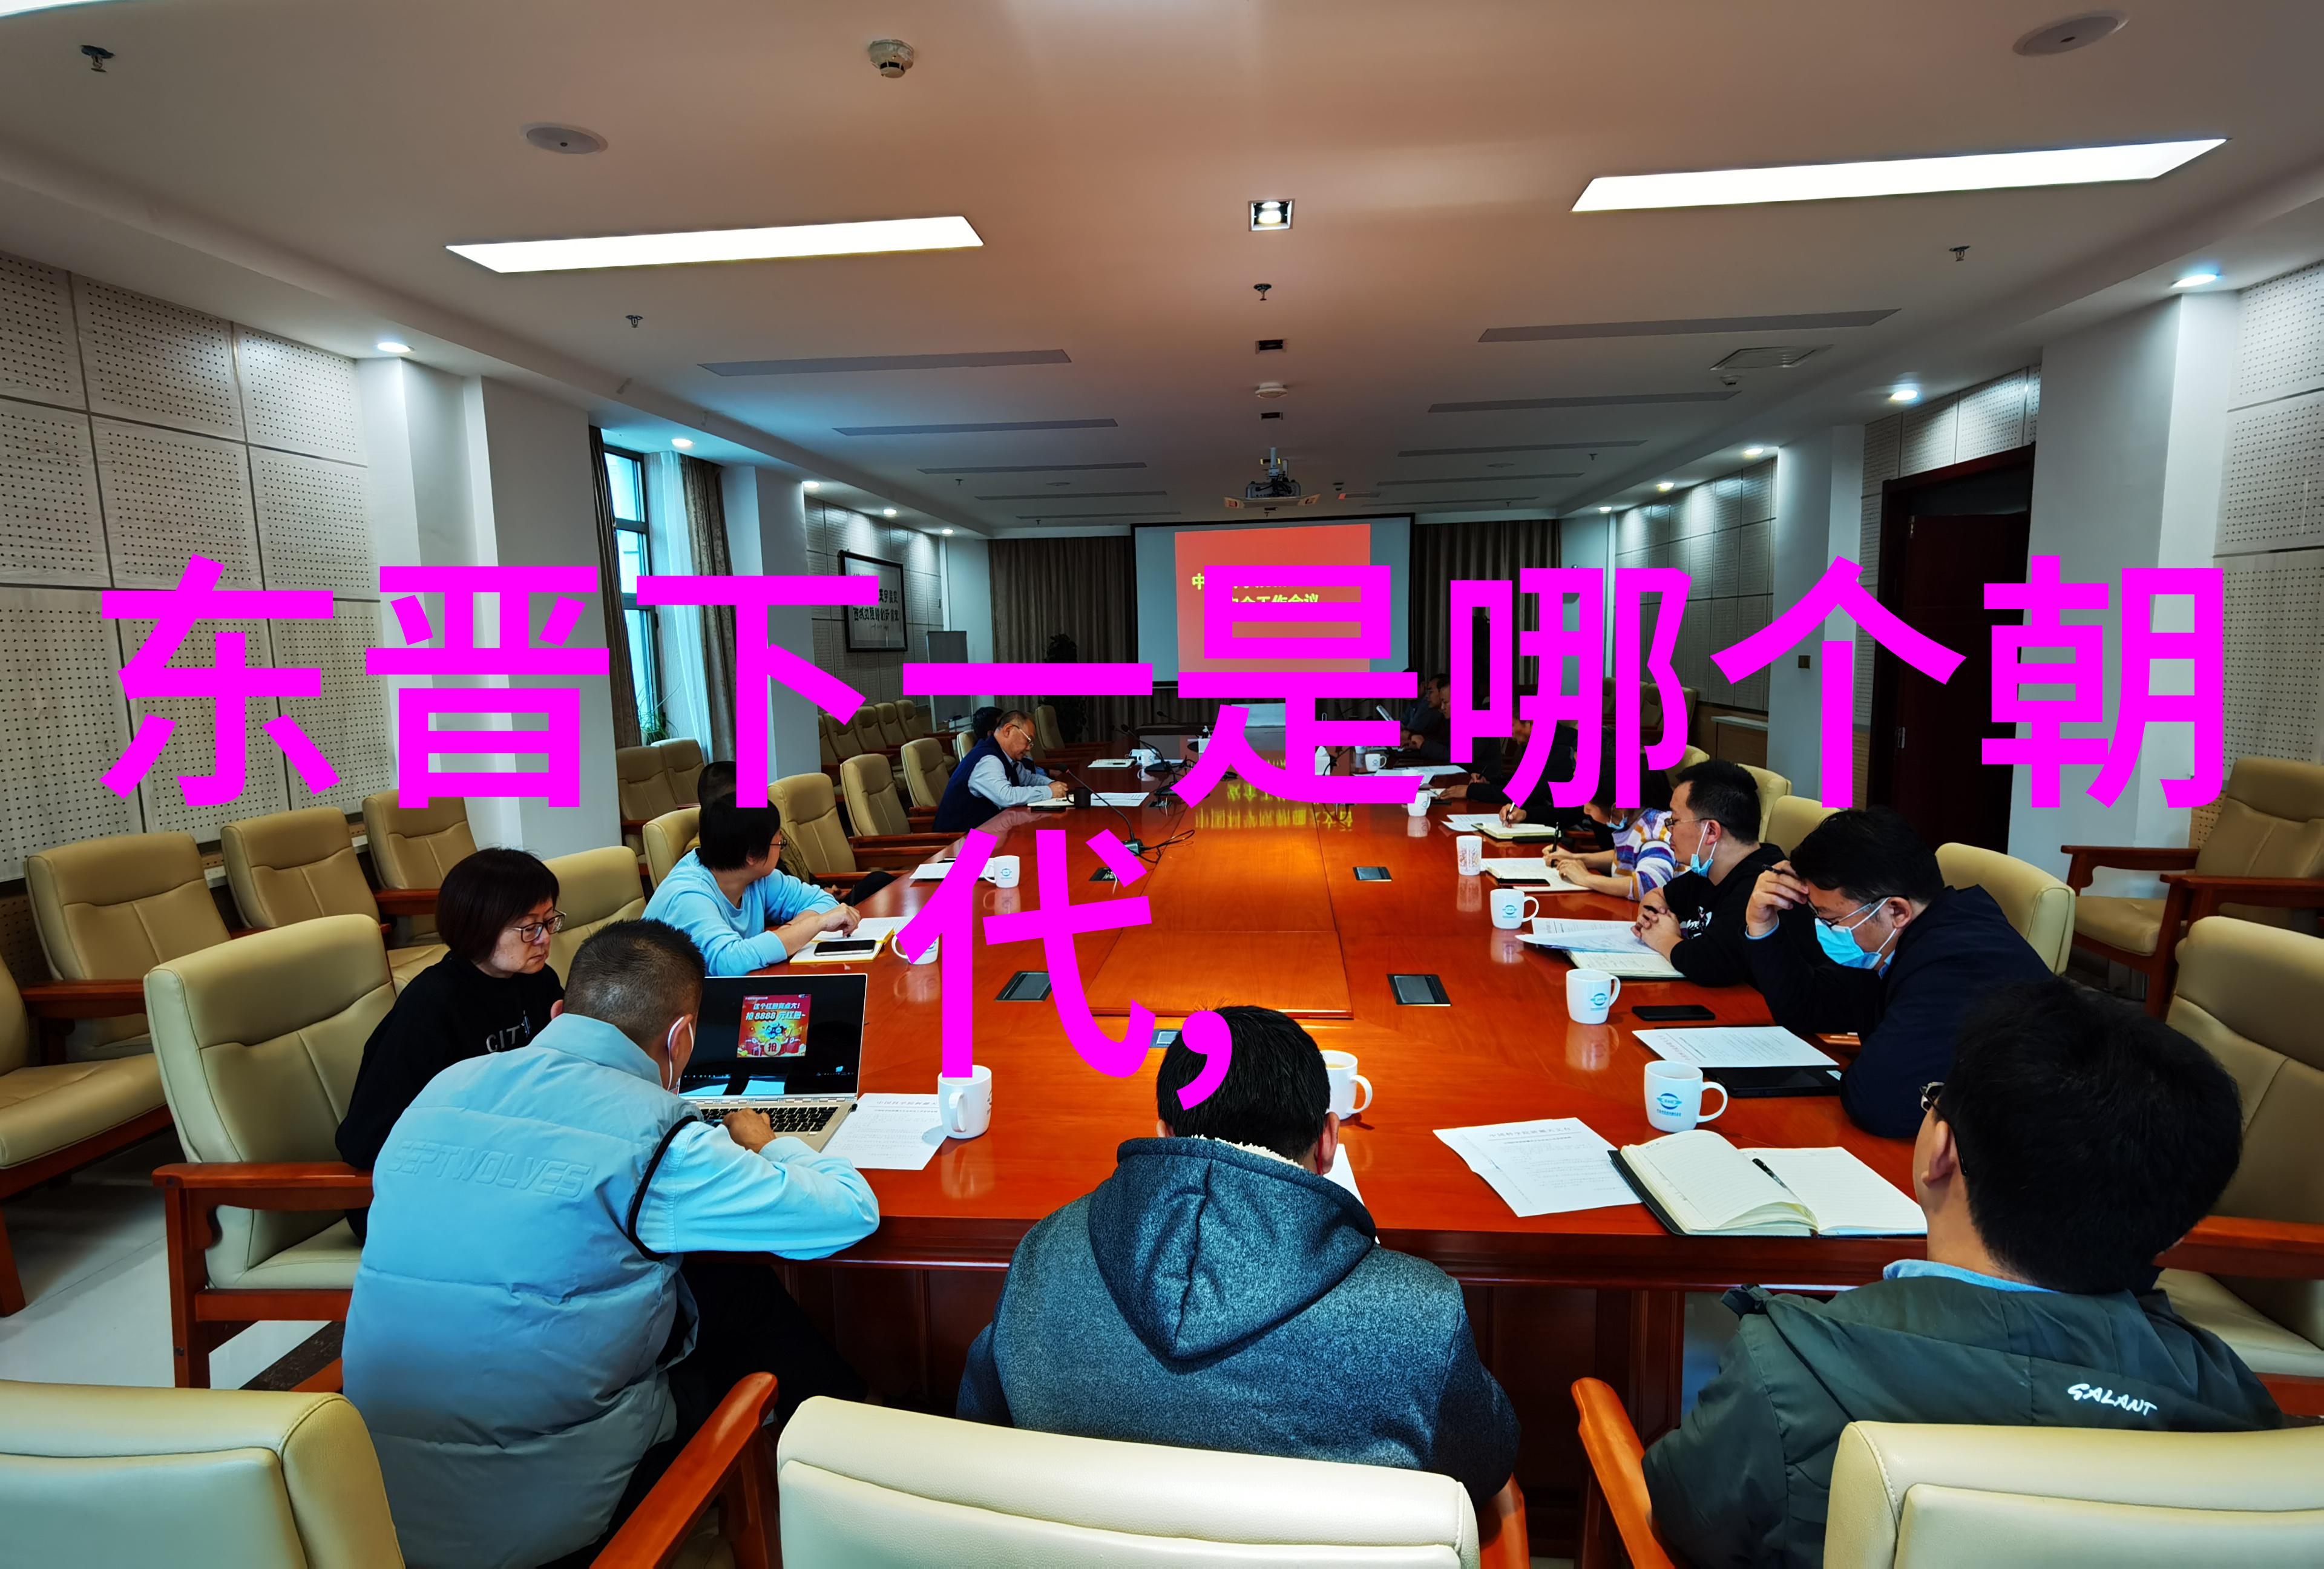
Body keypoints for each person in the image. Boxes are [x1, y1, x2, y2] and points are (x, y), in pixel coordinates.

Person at [1643, 981, 2280, 1568]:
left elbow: (1685, 1520)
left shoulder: (1786, 1372)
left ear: (1940, 1152)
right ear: (2175, 1230)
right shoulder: (2230, 1401)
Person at [344, 919, 879, 1569]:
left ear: (559, 1013)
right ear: (682, 1038)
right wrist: (768, 1143)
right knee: (734, 1292)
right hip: (544, 1519)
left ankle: (854, 1435)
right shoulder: (658, 1135)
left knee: (698, 1273)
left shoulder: (443, 1089)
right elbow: (849, 1211)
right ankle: (859, 1463)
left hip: (370, 1496)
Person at [957, 1005, 1520, 1508]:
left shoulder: (1042, 1257)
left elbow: (980, 1426)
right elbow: (1485, 1468)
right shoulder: (1422, 1318)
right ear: (1328, 1140)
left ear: (1165, 1135)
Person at [1741, 806, 2056, 1137]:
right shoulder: (1896, 939)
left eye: (1831, 920)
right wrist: (1762, 924)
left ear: (1896, 910)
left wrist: (1863, 1066)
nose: (1824, 930)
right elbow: (1806, 1007)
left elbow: (1879, 1102)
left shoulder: (1958, 963)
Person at [337, 848, 565, 1200]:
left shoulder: (537, 980)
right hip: (425, 1189)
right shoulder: (431, 1004)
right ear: (480, 927)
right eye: (530, 928)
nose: (545, 938)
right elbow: (365, 1142)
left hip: (509, 1158)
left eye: (549, 922)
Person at [643, 800, 857, 975]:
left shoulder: (756, 876)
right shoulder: (689, 895)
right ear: (751, 855)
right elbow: (730, 963)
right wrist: (816, 923)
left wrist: (789, 932)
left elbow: (823, 901)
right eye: (779, 844)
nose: (781, 851)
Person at [1633, 760, 1790, 986]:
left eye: (1674, 821)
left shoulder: (1762, 884)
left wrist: (1663, 938)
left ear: (1712, 831)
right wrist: (1653, 921)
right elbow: (1657, 895)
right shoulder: (1710, 868)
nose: (1669, 830)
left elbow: (1709, 964)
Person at [1548, 751, 1675, 901]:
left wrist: (1586, 878)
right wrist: (1576, 858)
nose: (1585, 811)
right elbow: (1625, 856)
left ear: (1618, 808)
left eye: (1589, 808)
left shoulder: (1655, 831)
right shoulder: (1637, 821)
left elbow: (1649, 886)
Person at [932, 706, 1070, 831]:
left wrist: (1052, 784)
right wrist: (1048, 791)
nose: (1029, 748)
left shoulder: (1006, 756)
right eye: (1028, 740)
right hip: (963, 842)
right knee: (1039, 837)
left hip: (990, 831)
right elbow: (1006, 797)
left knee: (1047, 832)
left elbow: (1028, 779)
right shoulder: (988, 759)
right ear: (1008, 730)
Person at [1397, 673, 1452, 763]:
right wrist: (1419, 744)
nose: (1427, 696)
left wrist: (1422, 744)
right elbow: (1440, 741)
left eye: (1431, 692)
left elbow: (1451, 755)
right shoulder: (1443, 718)